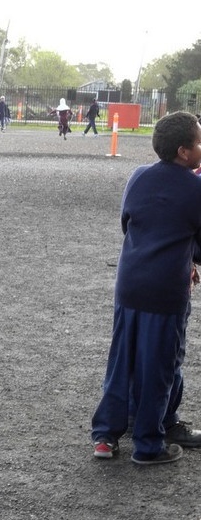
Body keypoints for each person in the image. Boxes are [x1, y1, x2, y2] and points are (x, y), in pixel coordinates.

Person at [91, 111, 201, 464]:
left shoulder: (138, 176)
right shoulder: (195, 188)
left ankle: (105, 436)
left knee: (122, 360)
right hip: (165, 291)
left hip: (130, 283)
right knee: (160, 365)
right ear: (185, 152)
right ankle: (149, 444)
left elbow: (130, 222)